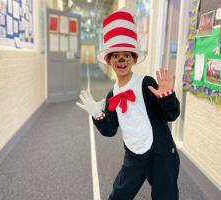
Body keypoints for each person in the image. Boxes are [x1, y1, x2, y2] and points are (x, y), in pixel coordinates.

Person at [76, 9, 180, 200]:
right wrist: (97, 114)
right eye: (116, 56)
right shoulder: (111, 95)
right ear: (109, 61)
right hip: (134, 154)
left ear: (133, 59)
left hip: (161, 154)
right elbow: (110, 130)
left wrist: (167, 96)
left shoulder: (146, 83)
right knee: (118, 196)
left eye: (126, 55)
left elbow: (171, 115)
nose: (121, 60)